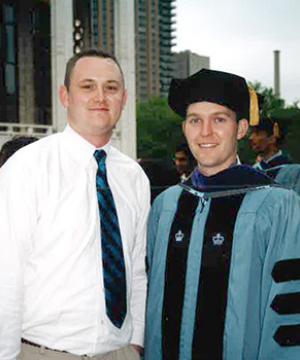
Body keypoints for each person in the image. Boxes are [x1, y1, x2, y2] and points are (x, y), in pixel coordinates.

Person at [0, 48, 150, 360]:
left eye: (111, 88)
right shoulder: (27, 167)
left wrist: (135, 343)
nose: (100, 96)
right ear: (65, 95)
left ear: (123, 99)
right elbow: (6, 273)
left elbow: (135, 270)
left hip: (120, 353)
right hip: (44, 352)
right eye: (87, 86)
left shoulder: (133, 176)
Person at [144, 69, 300, 359]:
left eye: (219, 119)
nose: (205, 132)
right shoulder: (166, 206)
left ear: (240, 129)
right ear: (185, 129)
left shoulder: (279, 208)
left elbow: (289, 314)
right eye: (195, 120)